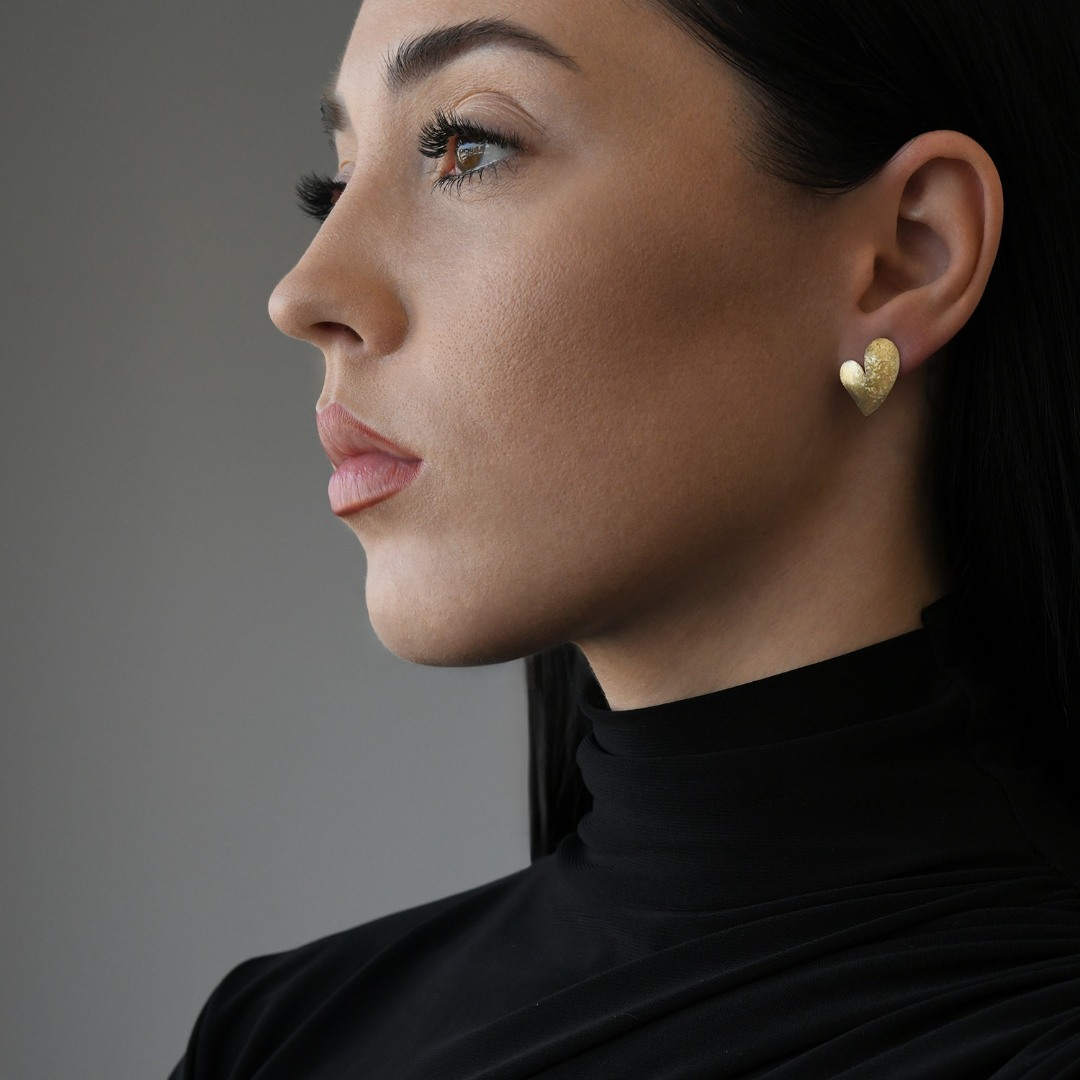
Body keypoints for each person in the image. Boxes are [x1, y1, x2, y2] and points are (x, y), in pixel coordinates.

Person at [169, 0, 1080, 1075]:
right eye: (334, 186)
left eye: (467, 147)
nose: (302, 292)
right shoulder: (278, 1041)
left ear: (904, 258)